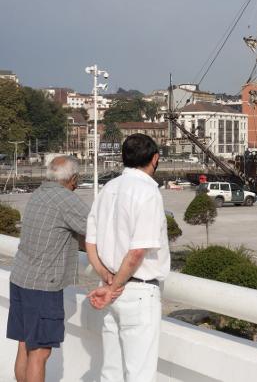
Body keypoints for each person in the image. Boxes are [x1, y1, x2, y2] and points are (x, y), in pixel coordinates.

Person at [86, 134, 170, 382]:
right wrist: (116, 286)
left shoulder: (108, 188)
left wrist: (106, 278)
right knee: (139, 374)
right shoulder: (147, 192)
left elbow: (90, 242)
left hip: (111, 285)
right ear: (155, 159)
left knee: (110, 371)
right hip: (136, 291)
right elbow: (137, 252)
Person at [7, 156, 89, 382]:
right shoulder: (66, 199)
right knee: (40, 352)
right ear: (73, 178)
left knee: (25, 344)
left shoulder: (40, 193)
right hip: (43, 285)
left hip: (21, 278)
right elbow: (95, 230)